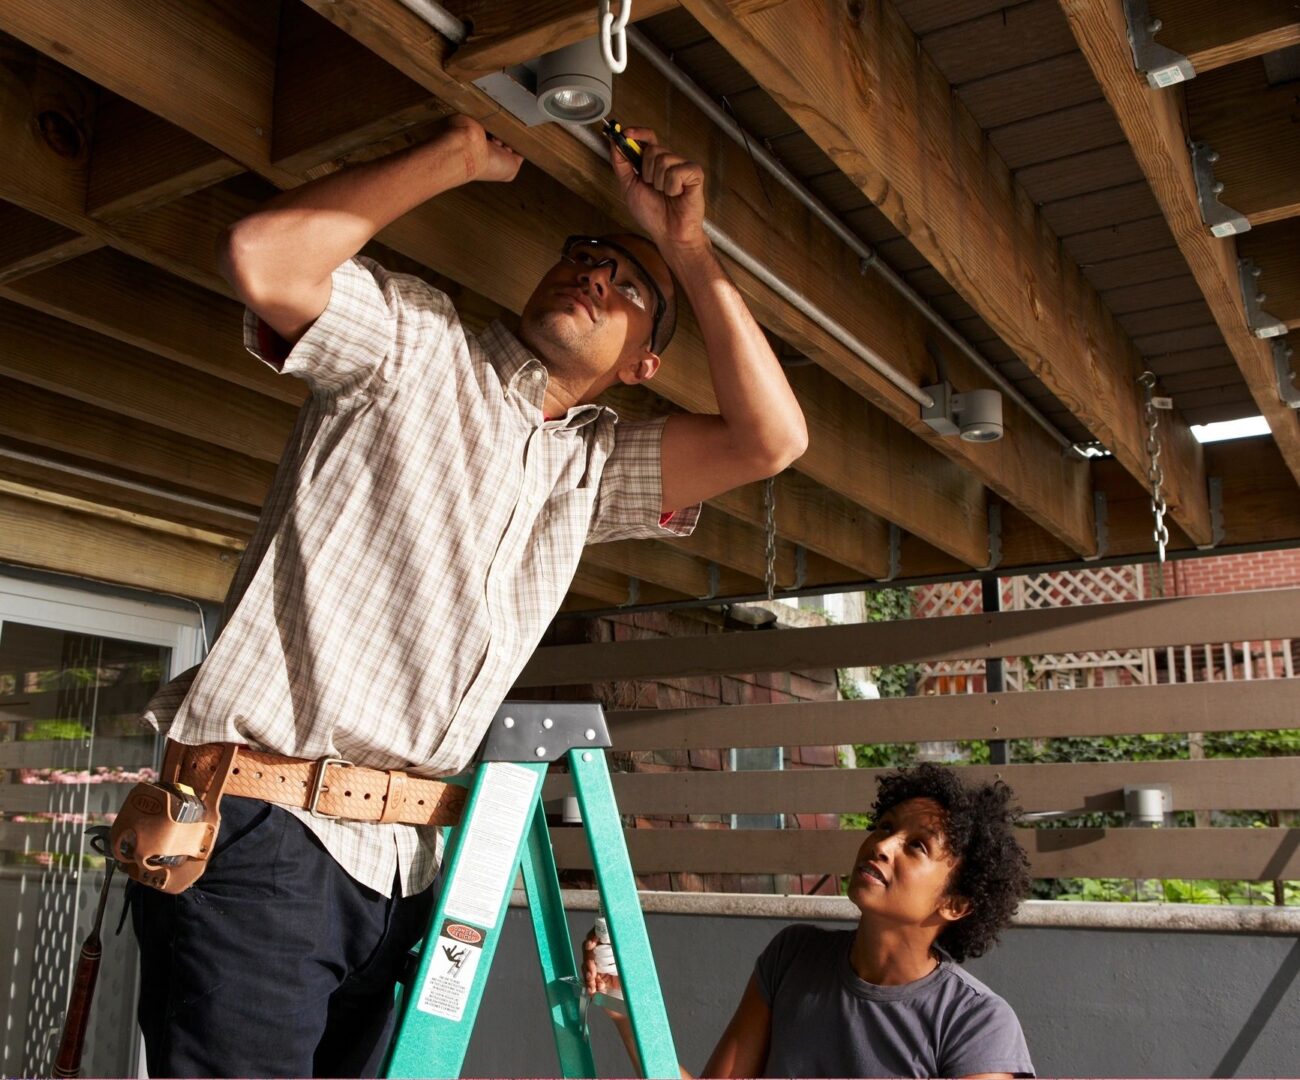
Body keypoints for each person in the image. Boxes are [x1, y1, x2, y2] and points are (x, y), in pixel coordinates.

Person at [125, 113, 807, 1078]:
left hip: (405, 875)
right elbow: (262, 257)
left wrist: (686, 246)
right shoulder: (415, 342)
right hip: (267, 829)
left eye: (627, 286)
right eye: (580, 258)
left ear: (641, 364)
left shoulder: (593, 468)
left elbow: (771, 439)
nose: (593, 276)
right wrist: (460, 154)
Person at [586, 763, 1035, 1079]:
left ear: (957, 903)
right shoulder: (793, 956)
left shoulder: (977, 1023)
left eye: (916, 846)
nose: (882, 845)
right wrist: (626, 1004)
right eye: (884, 827)